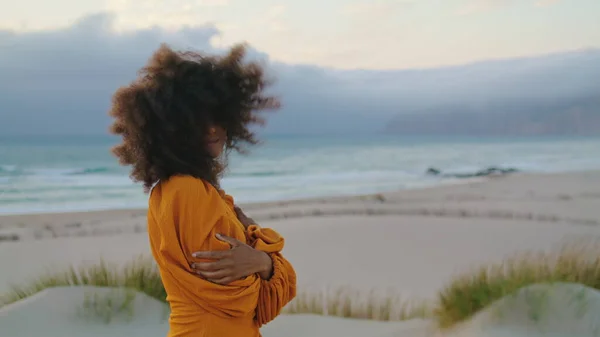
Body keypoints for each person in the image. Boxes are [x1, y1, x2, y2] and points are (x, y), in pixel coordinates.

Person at [108, 43, 297, 337]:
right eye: (198, 120)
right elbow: (246, 302)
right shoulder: (186, 190)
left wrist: (259, 260)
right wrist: (265, 260)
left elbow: (267, 299)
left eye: (218, 117)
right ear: (172, 124)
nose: (212, 129)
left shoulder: (202, 192)